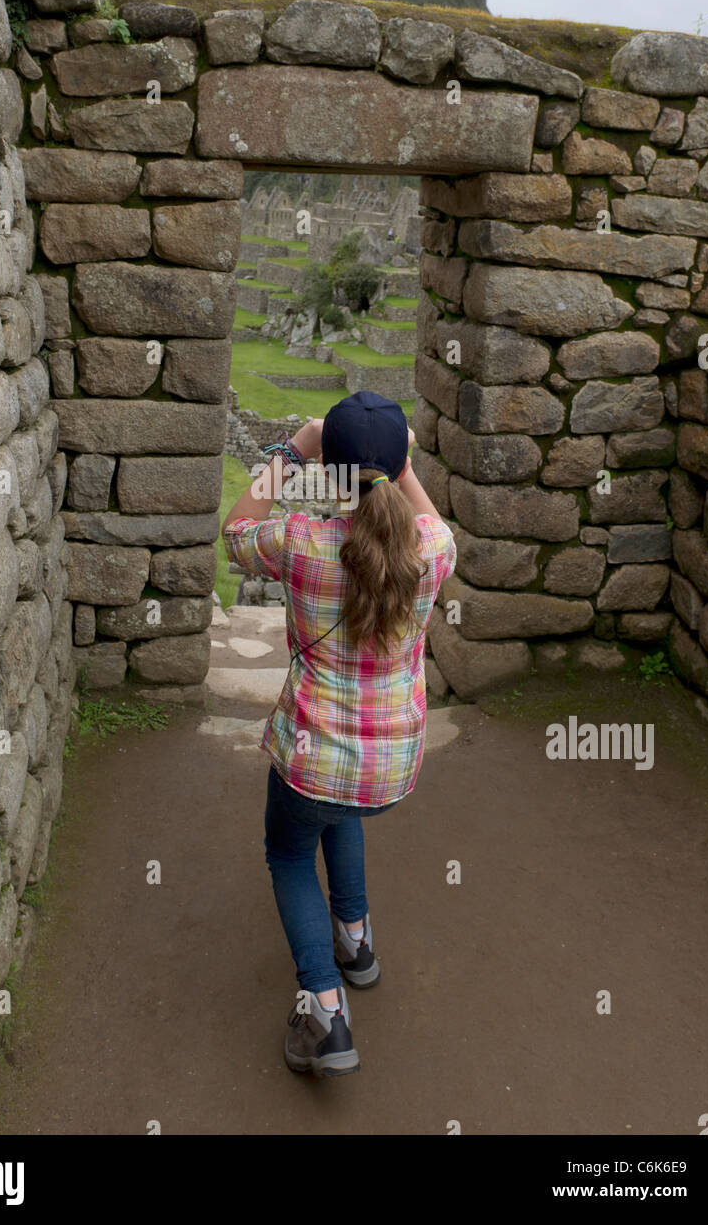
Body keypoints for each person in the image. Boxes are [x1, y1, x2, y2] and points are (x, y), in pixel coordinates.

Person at [222, 390, 457, 1078]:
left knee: (290, 855)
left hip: (311, 759)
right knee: (342, 807)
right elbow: (429, 522)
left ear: (336, 472)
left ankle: (324, 1011)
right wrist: (401, 460)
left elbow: (236, 533)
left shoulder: (302, 544)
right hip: (388, 770)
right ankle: (354, 941)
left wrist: (294, 451)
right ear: (399, 463)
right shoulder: (433, 552)